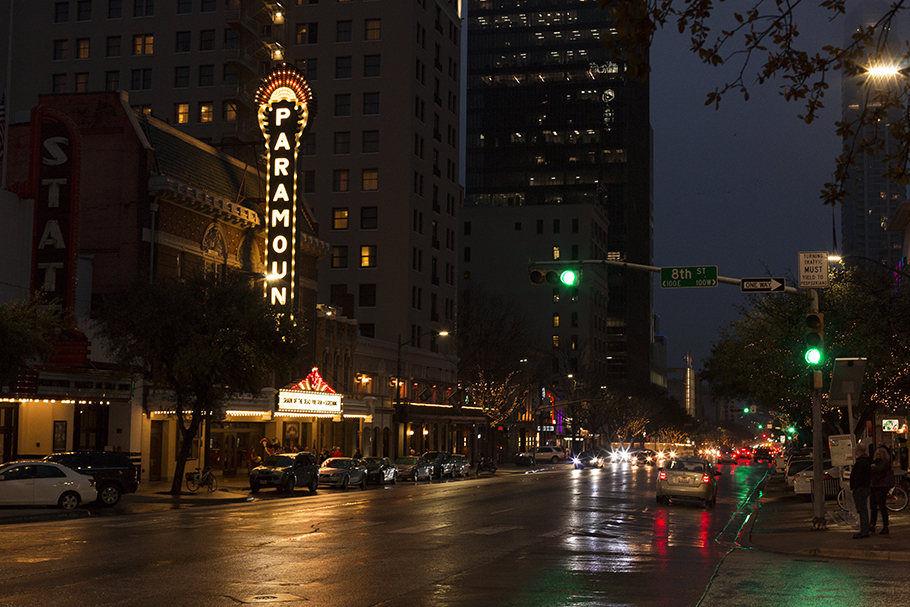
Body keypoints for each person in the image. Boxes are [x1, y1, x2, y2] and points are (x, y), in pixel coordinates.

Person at [851, 442, 873, 539]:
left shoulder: (861, 462)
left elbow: (859, 477)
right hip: (864, 487)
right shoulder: (866, 461)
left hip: (860, 488)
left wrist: (855, 486)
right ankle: (865, 529)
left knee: (862, 509)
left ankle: (864, 531)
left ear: (857, 450)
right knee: (863, 509)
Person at [870, 446, 894, 535]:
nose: (875, 455)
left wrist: (872, 467)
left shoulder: (883, 463)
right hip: (875, 486)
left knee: (881, 506)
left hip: (880, 487)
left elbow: (878, 470)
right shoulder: (877, 463)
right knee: (873, 506)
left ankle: (885, 526)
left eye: (877, 454)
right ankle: (872, 524)